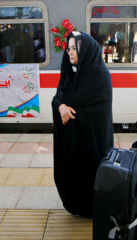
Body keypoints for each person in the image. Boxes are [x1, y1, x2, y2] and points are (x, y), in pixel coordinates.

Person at [51, 31, 114, 218]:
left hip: (92, 143)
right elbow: (57, 98)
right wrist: (61, 107)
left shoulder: (101, 77)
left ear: (86, 50)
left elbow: (100, 112)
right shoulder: (69, 74)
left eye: (75, 48)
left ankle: (92, 209)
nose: (70, 53)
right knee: (71, 176)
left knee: (90, 177)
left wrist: (73, 113)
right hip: (71, 142)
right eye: (68, 48)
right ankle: (75, 205)